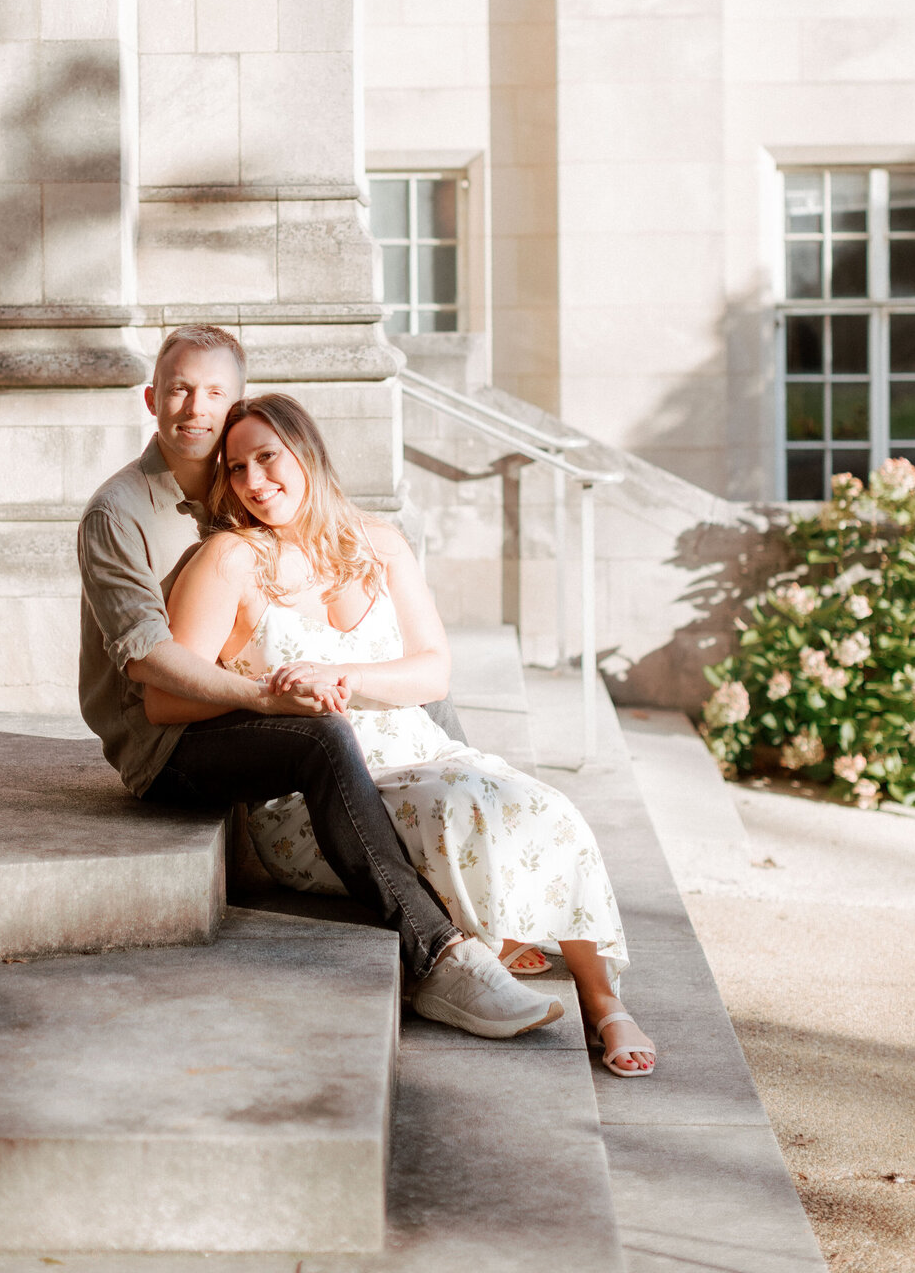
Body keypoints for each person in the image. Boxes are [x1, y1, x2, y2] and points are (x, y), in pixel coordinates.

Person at [78, 325, 564, 1039]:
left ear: (238, 404)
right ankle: (437, 956)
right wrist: (266, 696)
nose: (194, 407)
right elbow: (150, 661)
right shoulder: (118, 513)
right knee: (320, 737)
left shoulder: (238, 482)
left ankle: (485, 875)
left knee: (408, 685)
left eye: (215, 392)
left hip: (245, 712)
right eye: (179, 388)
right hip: (167, 741)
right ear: (152, 398)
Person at [162, 392, 656, 1078]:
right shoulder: (230, 559)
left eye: (267, 458)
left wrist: (347, 672)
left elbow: (433, 670)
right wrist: (273, 695)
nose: (253, 482)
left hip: (420, 749)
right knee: (464, 806)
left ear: (307, 452)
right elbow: (169, 691)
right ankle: (488, 949)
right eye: (236, 468)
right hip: (323, 792)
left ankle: (602, 1000)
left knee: (549, 807)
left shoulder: (379, 542)